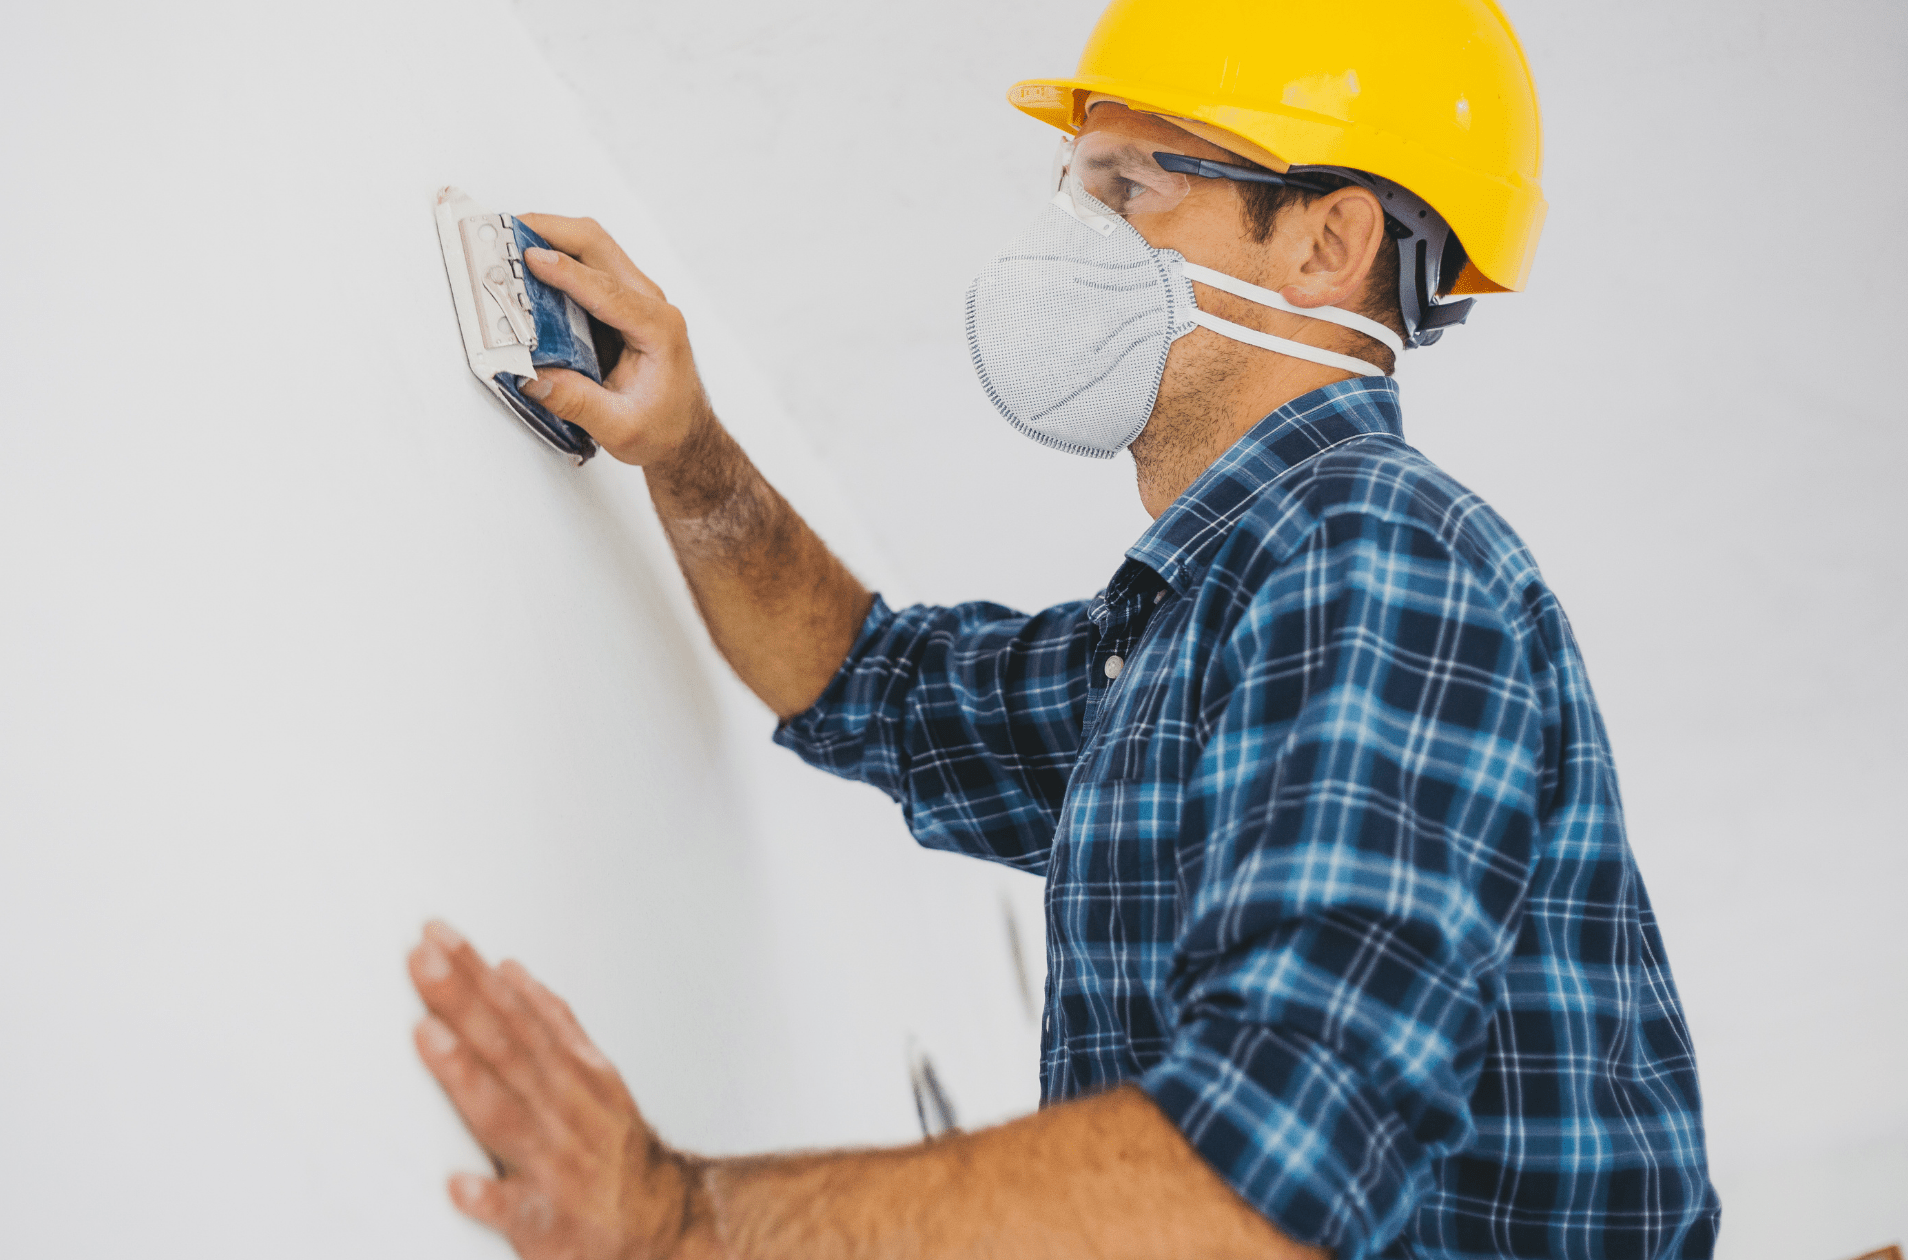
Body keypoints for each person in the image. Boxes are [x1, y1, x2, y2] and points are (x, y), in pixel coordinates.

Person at [406, 0, 1721, 1254]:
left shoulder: (1376, 561)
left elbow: (1278, 1173)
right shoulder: (1201, 622)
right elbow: (869, 684)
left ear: (1326, 243)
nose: (1077, 235)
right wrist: (687, 449)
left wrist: (679, 1221)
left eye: (1129, 189)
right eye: (1077, 186)